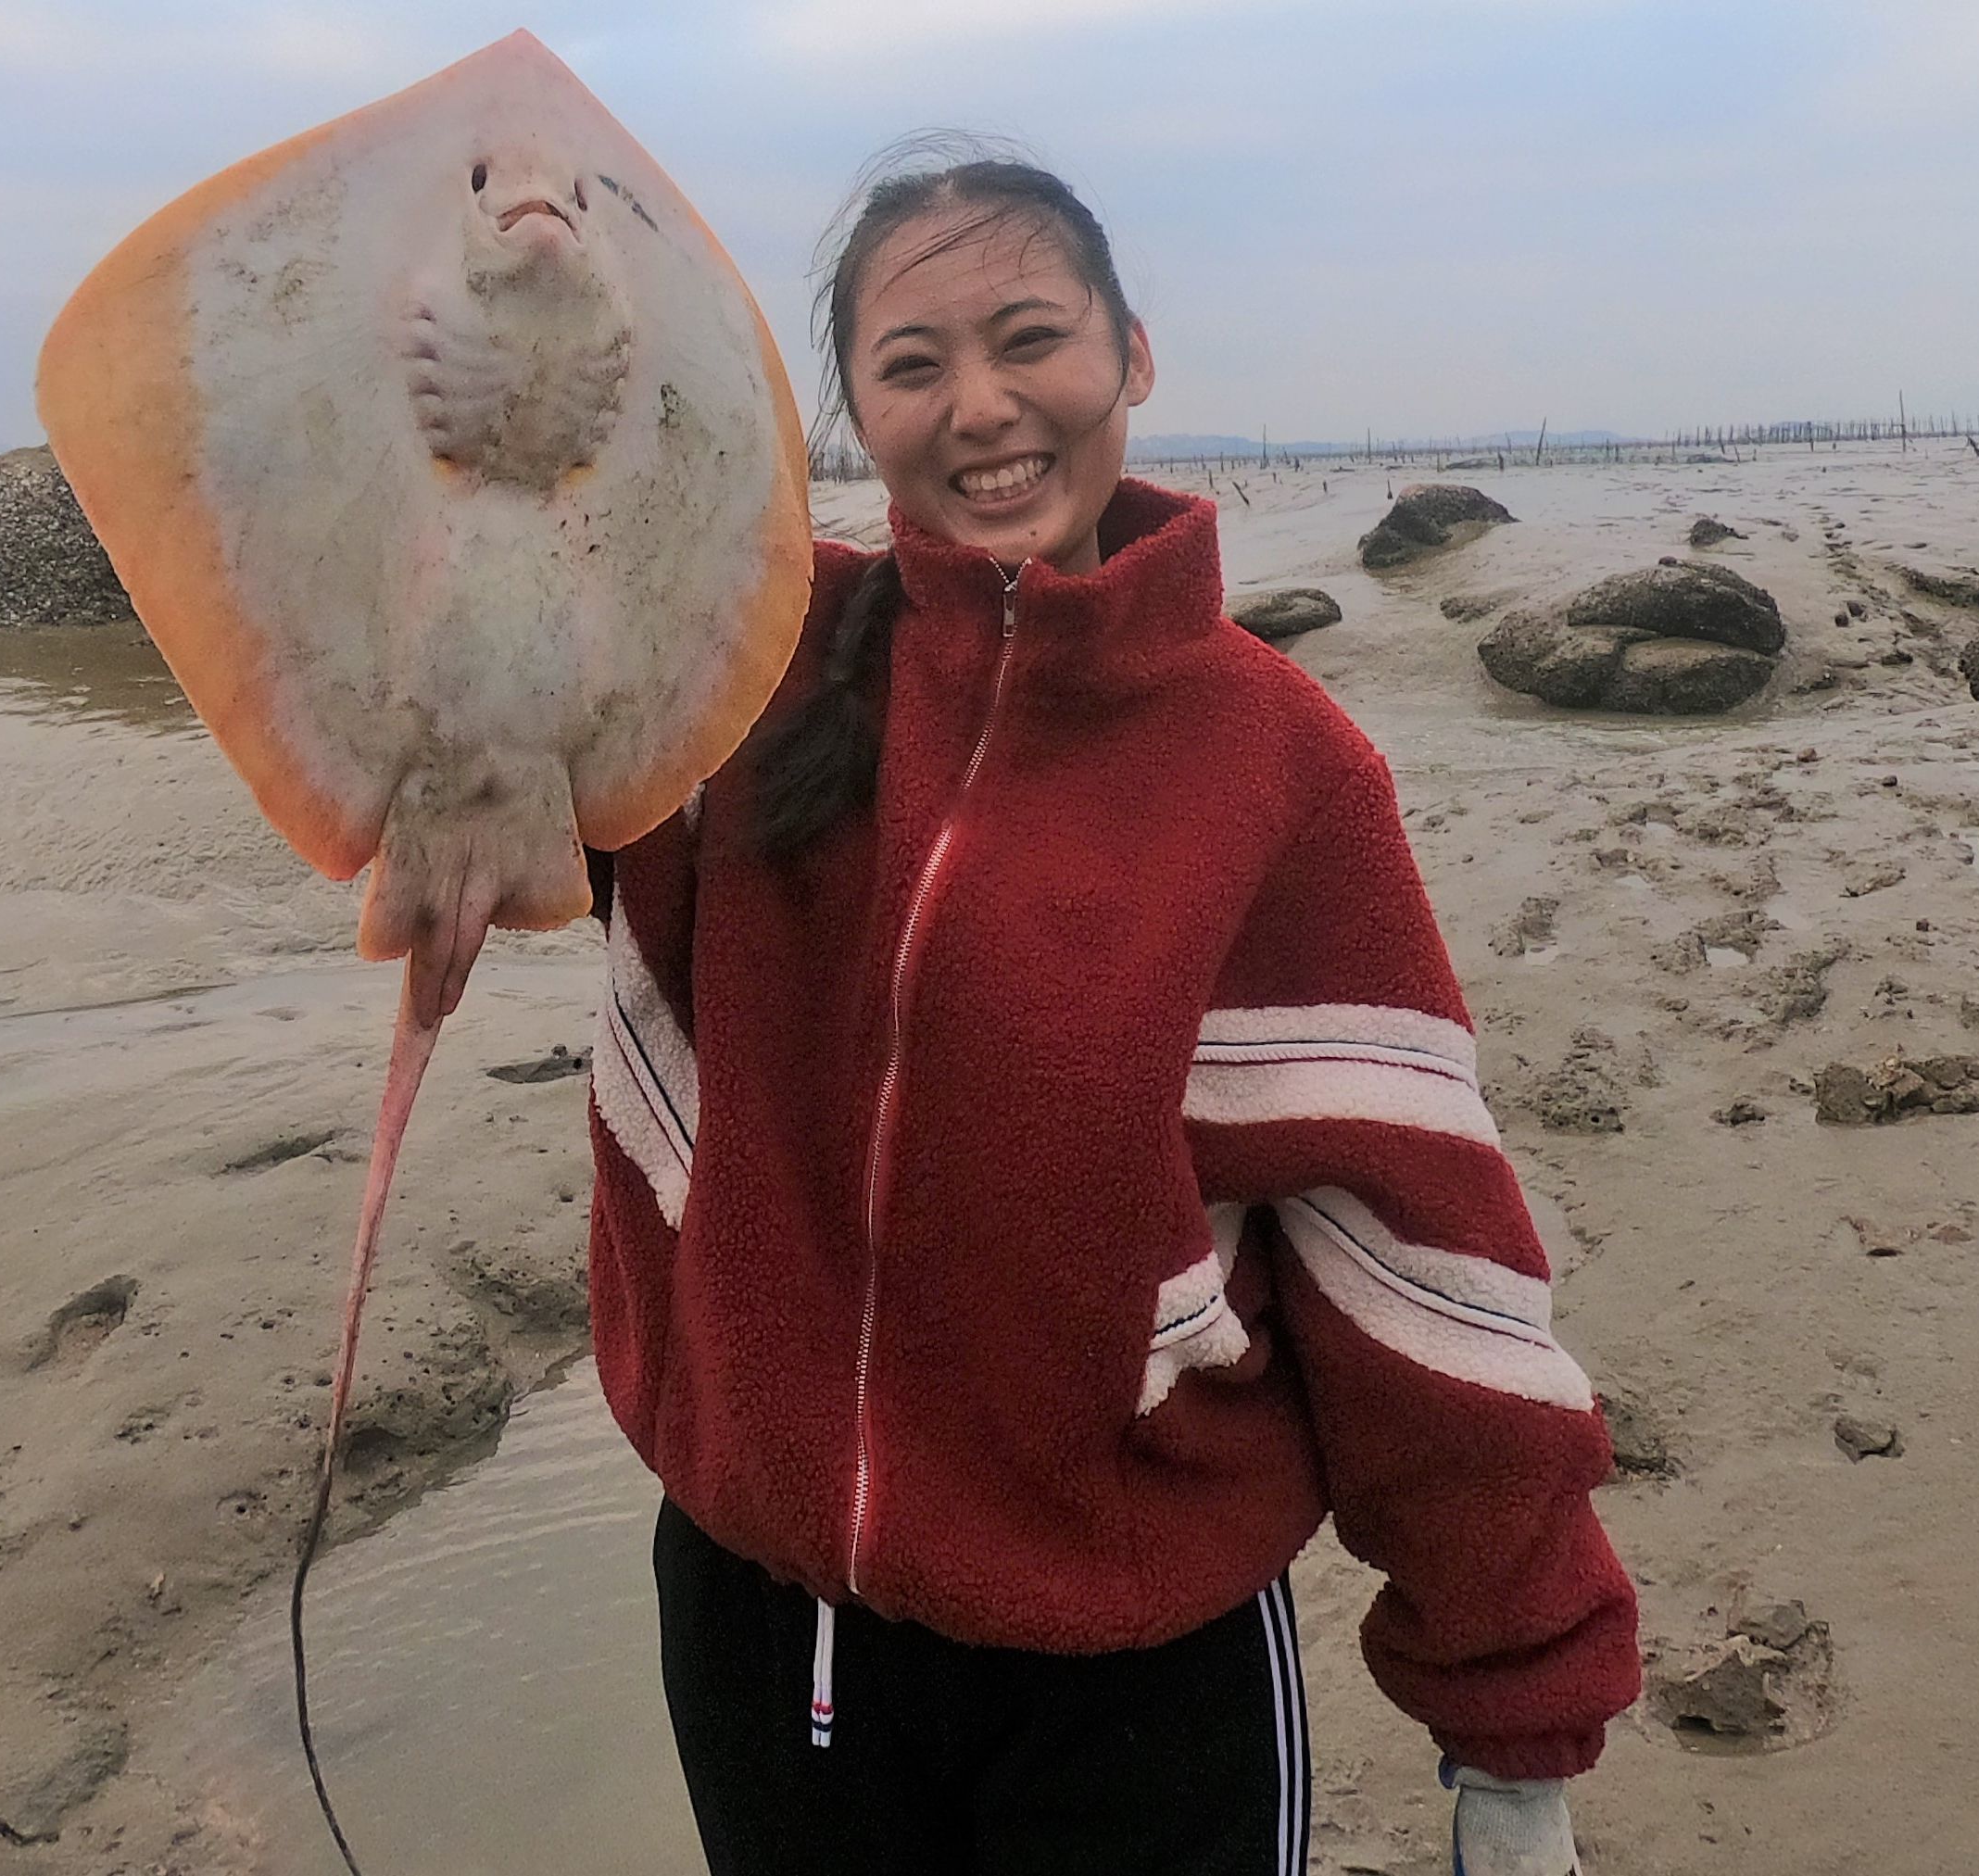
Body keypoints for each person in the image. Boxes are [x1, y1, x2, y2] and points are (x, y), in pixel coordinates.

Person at [584, 141, 1638, 1876]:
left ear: (1132, 356)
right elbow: (486, 636)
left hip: (1129, 1658)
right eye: (913, 366)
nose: (983, 407)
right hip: (771, 1630)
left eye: (1032, 340)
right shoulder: (741, 682)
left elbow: (1413, 1249)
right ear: (846, 409)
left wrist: (1514, 1728)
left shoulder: (1279, 766)